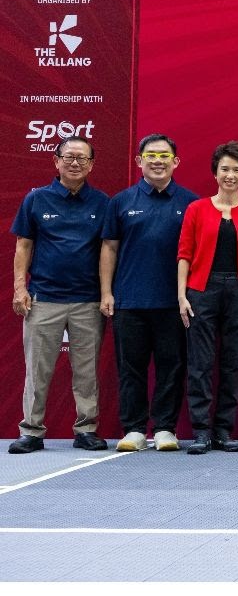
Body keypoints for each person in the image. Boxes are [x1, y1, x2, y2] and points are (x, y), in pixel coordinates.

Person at [9, 136, 110, 455]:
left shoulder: (103, 203)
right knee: (37, 370)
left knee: (86, 370)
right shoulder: (36, 199)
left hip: (88, 300)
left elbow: (108, 250)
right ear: (56, 161)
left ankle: (86, 429)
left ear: (91, 165)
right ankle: (31, 430)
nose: (75, 163)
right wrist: (20, 288)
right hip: (44, 298)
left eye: (82, 158)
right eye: (68, 157)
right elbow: (23, 245)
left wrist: (106, 293)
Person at [100, 134, 199, 453]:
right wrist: (107, 292)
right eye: (151, 155)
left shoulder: (191, 203)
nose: (158, 161)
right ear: (139, 161)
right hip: (129, 300)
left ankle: (166, 428)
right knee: (131, 368)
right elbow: (109, 248)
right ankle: (134, 429)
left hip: (174, 303)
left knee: (172, 366)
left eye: (164, 156)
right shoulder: (120, 202)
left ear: (176, 162)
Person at [177, 141, 238, 454]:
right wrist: (182, 295)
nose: (230, 175)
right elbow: (184, 254)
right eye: (225, 169)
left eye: (237, 170)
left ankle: (224, 430)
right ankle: (201, 431)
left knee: (232, 364)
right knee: (199, 363)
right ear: (215, 173)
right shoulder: (197, 209)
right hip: (202, 291)